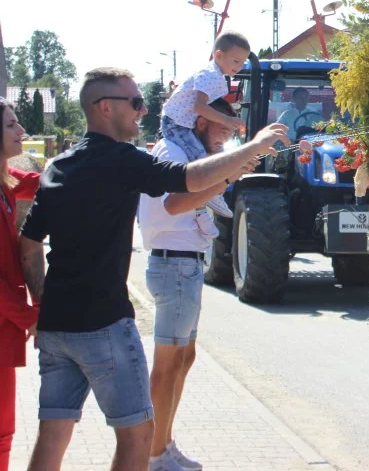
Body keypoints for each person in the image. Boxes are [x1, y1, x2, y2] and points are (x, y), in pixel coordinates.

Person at [18, 68, 289, 471]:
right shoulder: (121, 159)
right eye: (136, 102)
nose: (143, 112)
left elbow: (29, 241)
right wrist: (253, 146)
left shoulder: (59, 165)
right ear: (104, 107)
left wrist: (41, 300)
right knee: (139, 437)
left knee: (53, 435)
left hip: (57, 327)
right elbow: (189, 180)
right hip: (105, 324)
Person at [138, 97, 244, 471]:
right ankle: (153, 453)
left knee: (184, 358)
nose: (225, 139)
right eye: (222, 129)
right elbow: (173, 205)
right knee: (168, 366)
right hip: (174, 265)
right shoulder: (174, 150)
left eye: (232, 133)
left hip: (184, 264)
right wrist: (228, 176)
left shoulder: (188, 150)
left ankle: (163, 443)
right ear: (200, 122)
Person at [161, 32, 249, 217]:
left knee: (205, 156)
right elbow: (199, 107)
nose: (239, 67)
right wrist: (227, 120)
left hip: (181, 122)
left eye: (242, 62)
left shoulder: (215, 76)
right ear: (219, 55)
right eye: (236, 61)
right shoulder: (209, 75)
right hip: (176, 123)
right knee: (201, 159)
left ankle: (203, 205)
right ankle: (212, 194)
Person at [0, 98, 41, 471]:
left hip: (5, 326)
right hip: (5, 320)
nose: (21, 132)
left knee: (4, 432)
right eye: (12, 125)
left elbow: (45, 183)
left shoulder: (6, 181)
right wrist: (27, 316)